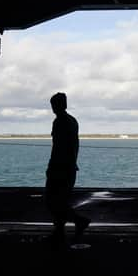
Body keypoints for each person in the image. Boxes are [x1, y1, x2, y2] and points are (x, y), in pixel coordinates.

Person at [45, 92, 90, 246]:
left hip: (60, 167)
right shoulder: (72, 121)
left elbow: (57, 148)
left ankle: (78, 221)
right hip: (69, 167)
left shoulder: (59, 122)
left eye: (53, 105)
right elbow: (73, 146)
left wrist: (51, 166)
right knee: (61, 200)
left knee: (52, 200)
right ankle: (59, 232)